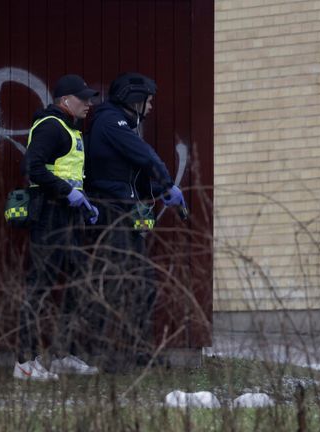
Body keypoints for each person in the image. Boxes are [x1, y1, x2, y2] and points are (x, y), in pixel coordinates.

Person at [85, 72, 186, 371]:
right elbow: (146, 156)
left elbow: (129, 179)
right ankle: (107, 356)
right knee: (117, 284)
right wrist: (167, 182)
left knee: (142, 284)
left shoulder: (122, 125)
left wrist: (157, 192)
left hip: (124, 211)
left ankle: (141, 353)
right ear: (134, 99)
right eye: (149, 101)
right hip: (110, 214)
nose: (152, 107)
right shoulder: (109, 121)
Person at [15, 74, 101, 380]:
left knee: (78, 283)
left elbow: (70, 174)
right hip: (50, 216)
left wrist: (84, 203)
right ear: (65, 100)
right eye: (84, 98)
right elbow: (32, 168)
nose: (89, 104)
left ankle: (65, 354)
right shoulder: (51, 126)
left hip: (69, 217)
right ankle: (24, 363)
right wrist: (68, 193)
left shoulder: (70, 129)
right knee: (39, 287)